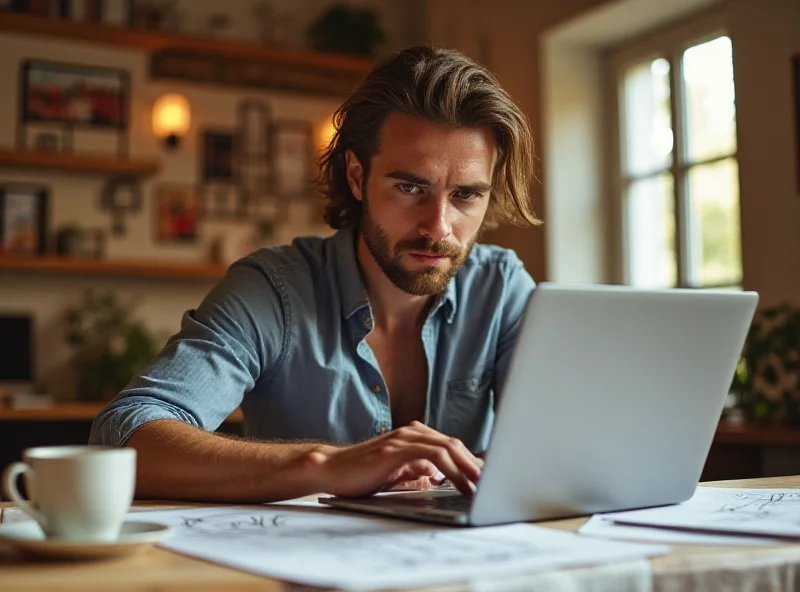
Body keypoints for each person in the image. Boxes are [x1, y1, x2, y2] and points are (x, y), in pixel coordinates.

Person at [89, 45, 539, 503]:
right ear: (357, 176)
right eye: (409, 187)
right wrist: (324, 466)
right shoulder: (271, 290)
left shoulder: (501, 290)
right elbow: (124, 434)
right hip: (295, 569)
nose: (438, 227)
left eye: (466, 195)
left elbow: (566, 445)